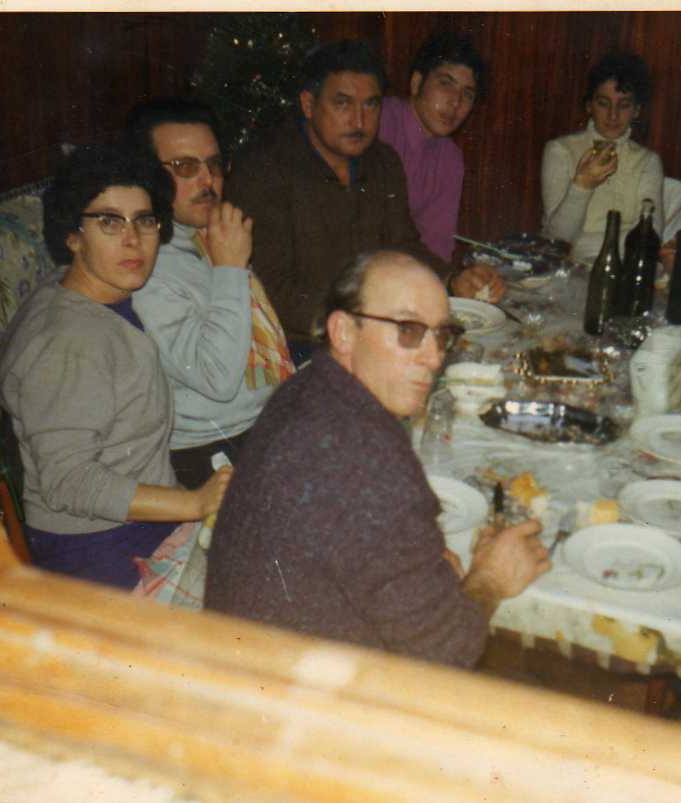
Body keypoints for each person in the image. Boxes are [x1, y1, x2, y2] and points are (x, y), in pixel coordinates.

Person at [206, 250, 550, 666]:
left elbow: (356, 542)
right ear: (343, 332)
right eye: (408, 330)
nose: (434, 357)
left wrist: (414, 566)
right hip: (292, 694)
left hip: (245, 660)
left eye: (442, 335)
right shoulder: (367, 460)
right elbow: (445, 650)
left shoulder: (308, 388)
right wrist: (491, 578)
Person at [0, 144, 232, 589]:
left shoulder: (94, 294)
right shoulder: (67, 340)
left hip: (143, 525)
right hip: (105, 558)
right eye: (109, 221)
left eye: (144, 220)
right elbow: (68, 481)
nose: (132, 240)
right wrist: (195, 504)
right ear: (72, 236)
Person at [228, 39, 503, 358]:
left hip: (368, 332)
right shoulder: (264, 169)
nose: (359, 122)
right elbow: (271, 287)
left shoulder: (383, 161)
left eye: (371, 105)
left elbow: (403, 245)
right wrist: (362, 323)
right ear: (308, 104)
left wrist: (451, 279)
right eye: (342, 104)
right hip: (297, 346)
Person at [126, 99, 294, 490]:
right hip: (209, 453)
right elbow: (217, 379)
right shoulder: (145, 265)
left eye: (214, 165)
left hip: (263, 423)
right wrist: (231, 268)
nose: (208, 180)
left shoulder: (206, 233)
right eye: (185, 167)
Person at [541, 52, 663, 261]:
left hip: (623, 266)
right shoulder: (560, 151)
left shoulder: (648, 161)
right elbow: (557, 240)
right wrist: (582, 185)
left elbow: (649, 237)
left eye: (624, 105)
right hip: (566, 267)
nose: (613, 115)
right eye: (603, 103)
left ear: (636, 110)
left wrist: (581, 243)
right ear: (589, 106)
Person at [378, 31, 485, 263]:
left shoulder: (450, 158)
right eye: (446, 84)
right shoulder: (379, 121)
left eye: (467, 94)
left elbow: (437, 244)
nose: (455, 102)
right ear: (416, 83)